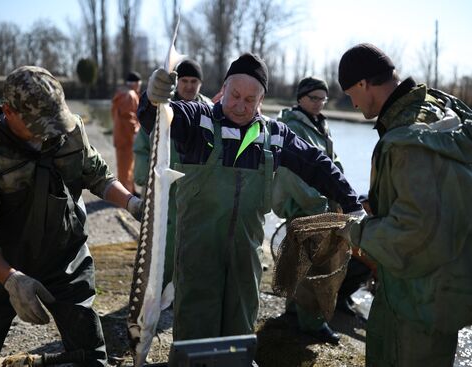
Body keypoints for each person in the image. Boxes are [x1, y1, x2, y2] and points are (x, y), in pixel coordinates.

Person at [137, 52, 366, 341]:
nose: (240, 106)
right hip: (197, 255)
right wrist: (152, 97)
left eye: (250, 100)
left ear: (261, 101)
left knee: (239, 333)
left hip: (246, 258)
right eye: (234, 95)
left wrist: (351, 203)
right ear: (224, 88)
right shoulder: (198, 120)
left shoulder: (273, 135)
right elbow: (156, 120)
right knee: (195, 331)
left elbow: (317, 164)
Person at [0, 66, 143, 367]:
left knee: (91, 356)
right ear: (9, 112)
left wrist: (132, 203)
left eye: (56, 122)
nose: (50, 132)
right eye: (39, 124)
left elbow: (98, 175)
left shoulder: (70, 129)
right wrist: (11, 280)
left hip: (65, 256)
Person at [335, 43, 472, 366]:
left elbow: (416, 228)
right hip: (443, 286)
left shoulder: (406, 139)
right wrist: (379, 204)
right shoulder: (436, 107)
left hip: (417, 300)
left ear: (364, 84)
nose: (351, 103)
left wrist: (358, 232)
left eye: (350, 92)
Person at [272, 77, 371, 344]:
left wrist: (344, 194)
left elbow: (332, 162)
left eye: (322, 99)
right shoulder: (291, 126)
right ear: (300, 98)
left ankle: (295, 310)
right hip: (306, 206)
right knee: (315, 266)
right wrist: (321, 205)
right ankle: (313, 324)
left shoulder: (320, 124)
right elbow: (292, 175)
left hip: (323, 204)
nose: (318, 103)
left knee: (302, 261)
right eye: (313, 98)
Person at [133, 59, 212, 290]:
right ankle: (158, 290)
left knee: (197, 241)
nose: (188, 86)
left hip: (199, 190)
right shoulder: (162, 107)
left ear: (201, 83)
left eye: (194, 81)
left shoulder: (210, 109)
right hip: (167, 189)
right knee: (164, 243)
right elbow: (142, 146)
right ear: (177, 83)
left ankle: (187, 287)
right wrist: (143, 179)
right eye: (184, 81)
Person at [111, 71, 142, 193]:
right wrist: (137, 132)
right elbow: (128, 117)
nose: (140, 86)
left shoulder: (122, 94)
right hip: (127, 138)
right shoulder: (130, 95)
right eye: (139, 83)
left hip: (121, 137)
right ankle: (125, 196)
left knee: (128, 167)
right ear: (134, 83)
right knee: (125, 168)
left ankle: (131, 190)